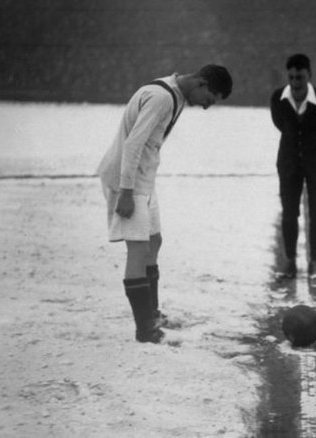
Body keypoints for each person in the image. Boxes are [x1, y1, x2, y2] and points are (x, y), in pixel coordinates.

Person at [97, 65, 233, 343]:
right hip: (128, 179)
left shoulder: (176, 91)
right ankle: (145, 330)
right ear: (202, 83)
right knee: (138, 249)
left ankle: (152, 313)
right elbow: (134, 143)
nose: (206, 108)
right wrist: (125, 191)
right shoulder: (161, 97)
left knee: (154, 241)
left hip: (143, 179)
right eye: (209, 100)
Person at [270, 54, 316, 278]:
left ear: (309, 75)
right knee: (289, 214)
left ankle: (314, 262)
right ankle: (290, 262)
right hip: (289, 164)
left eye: (300, 77)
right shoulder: (278, 98)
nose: (295, 82)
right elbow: (280, 123)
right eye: (291, 77)